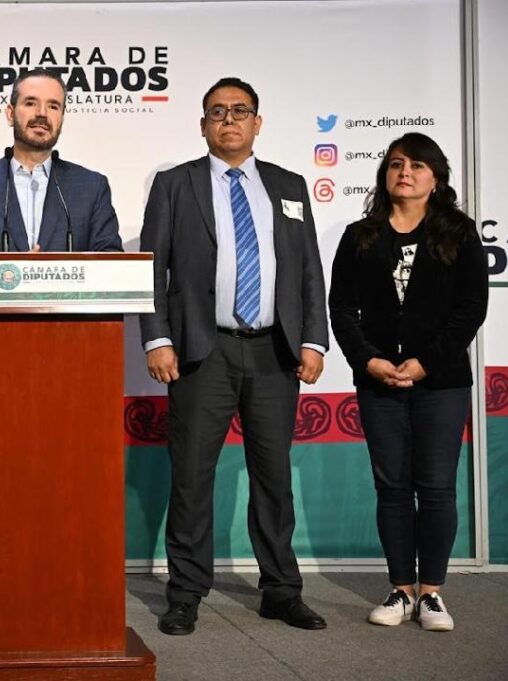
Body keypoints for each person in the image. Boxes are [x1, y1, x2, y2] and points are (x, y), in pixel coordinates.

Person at [139, 77, 329, 635]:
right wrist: (157, 338)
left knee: (273, 477)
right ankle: (185, 594)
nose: (229, 120)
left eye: (240, 111)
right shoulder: (175, 184)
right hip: (203, 350)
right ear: (203, 125)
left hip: (275, 351)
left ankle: (281, 591)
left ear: (257, 123)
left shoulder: (289, 185)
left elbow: (308, 268)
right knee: (191, 477)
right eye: (217, 112)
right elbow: (151, 267)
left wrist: (313, 340)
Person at [329, 132, 487, 632]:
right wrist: (369, 361)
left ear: (435, 177)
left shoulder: (459, 234)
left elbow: (470, 310)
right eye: (397, 164)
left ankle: (432, 593)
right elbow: (341, 309)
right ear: (385, 175)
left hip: (441, 382)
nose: (406, 172)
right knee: (393, 488)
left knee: (436, 487)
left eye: (417, 165)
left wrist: (425, 363)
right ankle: (400, 589)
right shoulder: (361, 236)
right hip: (378, 382)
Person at [0, 68, 122, 252]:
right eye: (30, 103)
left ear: (62, 118)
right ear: (10, 114)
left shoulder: (91, 187)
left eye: (53, 106)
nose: (42, 113)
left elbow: (111, 259)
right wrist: (20, 269)